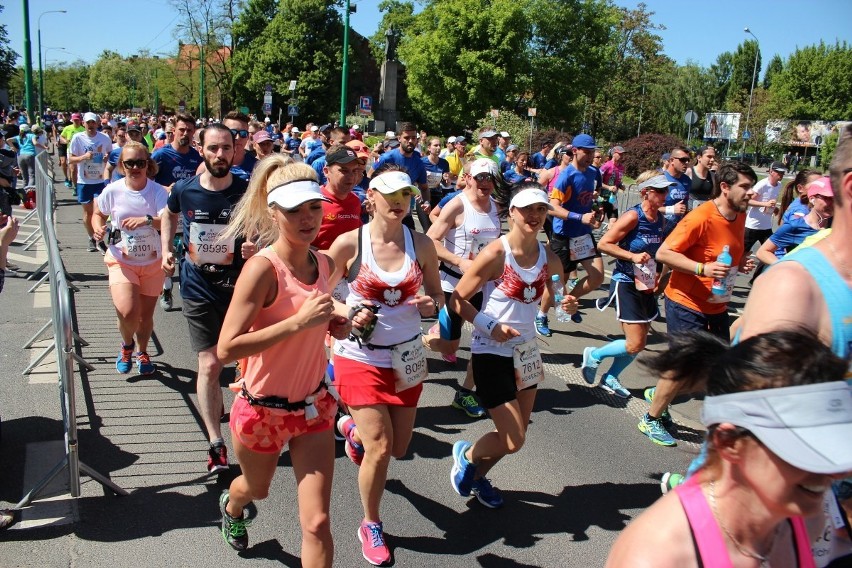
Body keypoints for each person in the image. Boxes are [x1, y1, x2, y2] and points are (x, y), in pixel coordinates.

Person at [607, 329, 851, 568]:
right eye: (805, 448)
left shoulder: (806, 513)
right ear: (728, 442)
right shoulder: (658, 556)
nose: (838, 472)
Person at [215, 158, 350, 562]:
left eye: (313, 206)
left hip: (313, 407)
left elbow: (317, 320)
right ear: (273, 211)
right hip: (262, 412)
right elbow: (227, 348)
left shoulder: (323, 263)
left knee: (317, 522)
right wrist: (298, 322)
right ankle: (232, 506)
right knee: (256, 489)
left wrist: (333, 326)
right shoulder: (262, 269)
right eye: (294, 210)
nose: (307, 218)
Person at [325, 168, 443, 566]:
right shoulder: (348, 244)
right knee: (381, 447)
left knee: (401, 447)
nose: (398, 202)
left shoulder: (422, 244)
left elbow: (437, 296)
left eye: (405, 195)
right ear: (370, 196)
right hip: (359, 356)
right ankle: (371, 523)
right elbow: (320, 296)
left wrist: (431, 305)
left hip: (407, 357)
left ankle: (350, 431)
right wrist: (349, 309)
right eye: (390, 195)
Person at [449, 184, 578, 510]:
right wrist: (490, 326)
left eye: (541, 209)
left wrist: (568, 305)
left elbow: (561, 297)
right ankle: (466, 455)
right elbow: (457, 300)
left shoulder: (549, 257)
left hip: (526, 352)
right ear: (512, 214)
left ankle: (477, 477)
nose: (534, 216)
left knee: (513, 439)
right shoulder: (496, 253)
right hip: (490, 350)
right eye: (527, 209)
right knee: (514, 437)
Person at [640, 162, 757, 447]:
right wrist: (703, 269)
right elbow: (665, 253)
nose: (751, 193)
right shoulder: (701, 217)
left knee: (712, 369)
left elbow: (726, 252)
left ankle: (661, 392)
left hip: (717, 302)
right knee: (683, 365)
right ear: (726, 187)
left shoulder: (739, 215)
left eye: (752, 187)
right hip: (686, 301)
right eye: (745, 186)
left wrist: (739, 262)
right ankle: (652, 418)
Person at [161, 123, 254, 473]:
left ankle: (251, 429)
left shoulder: (247, 190)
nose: (220, 155)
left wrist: (256, 246)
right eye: (213, 148)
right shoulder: (184, 190)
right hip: (198, 287)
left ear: (235, 150)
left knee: (247, 361)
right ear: (201, 150)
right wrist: (166, 250)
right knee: (210, 363)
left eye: (226, 148)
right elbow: (167, 214)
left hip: (241, 289)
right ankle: (216, 443)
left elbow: (271, 225)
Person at [423, 158, 504, 419]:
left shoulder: (496, 206)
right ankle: (421, 339)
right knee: (449, 348)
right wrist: (459, 261)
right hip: (453, 285)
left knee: (485, 339)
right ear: (467, 177)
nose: (486, 183)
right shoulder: (457, 205)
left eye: (490, 177)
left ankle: (465, 393)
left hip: (486, 285)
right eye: (480, 177)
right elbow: (430, 240)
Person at [581, 173, 673, 398]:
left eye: (666, 191)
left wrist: (659, 277)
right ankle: (594, 355)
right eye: (659, 191)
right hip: (626, 284)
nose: (665, 195)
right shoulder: (634, 216)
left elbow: (659, 254)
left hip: (646, 284)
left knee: (638, 342)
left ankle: (611, 377)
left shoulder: (661, 221)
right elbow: (604, 244)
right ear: (646, 193)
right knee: (635, 343)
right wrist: (631, 256)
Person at [91, 142, 169, 376]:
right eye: (129, 163)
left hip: (152, 262)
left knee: (145, 318)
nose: (135, 167)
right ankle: (127, 346)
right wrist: (97, 229)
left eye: (140, 162)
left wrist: (146, 220)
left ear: (148, 164)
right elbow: (98, 214)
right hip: (121, 260)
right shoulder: (113, 191)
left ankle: (142, 352)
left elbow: (167, 222)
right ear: (121, 166)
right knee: (127, 312)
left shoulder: (157, 192)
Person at [538, 133, 604, 336]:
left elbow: (588, 199)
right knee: (559, 282)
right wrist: (579, 217)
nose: (591, 155)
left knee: (597, 277)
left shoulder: (593, 172)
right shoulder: (566, 175)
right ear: (574, 151)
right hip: (564, 234)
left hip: (583, 234)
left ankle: (569, 303)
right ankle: (541, 315)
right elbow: (552, 207)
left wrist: (596, 210)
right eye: (587, 151)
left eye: (593, 151)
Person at [755, 176, 833, 269]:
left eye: (837, 199)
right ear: (812, 198)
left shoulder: (839, 228)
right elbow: (763, 252)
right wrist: (788, 268)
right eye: (827, 198)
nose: (833, 203)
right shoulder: (796, 225)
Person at [69, 112, 114, 253]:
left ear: (97, 123)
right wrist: (84, 157)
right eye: (88, 122)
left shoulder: (105, 138)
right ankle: (92, 237)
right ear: (84, 123)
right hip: (84, 181)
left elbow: (110, 156)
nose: (91, 125)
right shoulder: (78, 138)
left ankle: (99, 238)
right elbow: (71, 159)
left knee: (99, 211)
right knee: (88, 213)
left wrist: (107, 158)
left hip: (100, 180)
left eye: (93, 122)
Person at [372, 122, 430, 230]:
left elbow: (424, 188)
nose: (411, 141)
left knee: (411, 243)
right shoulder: (387, 158)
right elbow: (370, 176)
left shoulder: (419, 163)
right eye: (406, 138)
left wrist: (426, 202)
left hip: (405, 213)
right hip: (384, 212)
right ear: (399, 138)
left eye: (413, 138)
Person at [743, 161, 786, 255]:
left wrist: (774, 209)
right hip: (753, 226)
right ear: (771, 171)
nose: (782, 174)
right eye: (779, 172)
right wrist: (765, 204)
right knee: (742, 252)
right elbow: (748, 201)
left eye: (783, 172)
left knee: (770, 252)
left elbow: (770, 202)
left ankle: (762, 270)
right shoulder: (762, 185)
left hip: (766, 226)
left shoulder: (779, 185)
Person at [598, 145, 626, 226]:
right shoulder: (606, 166)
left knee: (613, 222)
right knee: (597, 223)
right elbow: (598, 181)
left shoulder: (621, 167)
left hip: (612, 198)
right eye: (620, 154)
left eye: (622, 154)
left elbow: (617, 181)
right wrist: (608, 187)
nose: (621, 156)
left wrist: (621, 185)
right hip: (601, 198)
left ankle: (607, 238)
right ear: (614, 154)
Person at [14, 124, 38, 188]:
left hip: (20, 155)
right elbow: (35, 143)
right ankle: (29, 192)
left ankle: (24, 193)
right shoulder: (32, 135)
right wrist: (44, 147)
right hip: (30, 155)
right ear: (28, 130)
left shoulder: (18, 137)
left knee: (24, 177)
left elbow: (8, 140)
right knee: (32, 175)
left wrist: (13, 148)